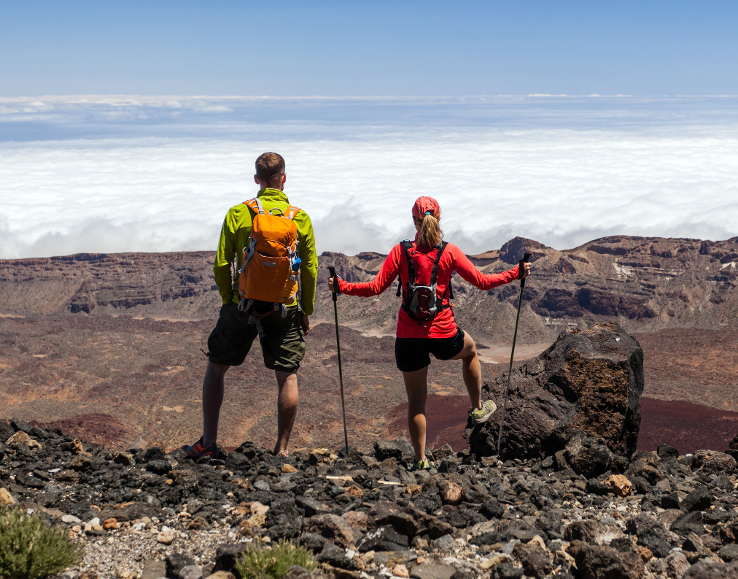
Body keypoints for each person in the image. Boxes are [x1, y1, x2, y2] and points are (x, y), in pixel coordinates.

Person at [328, 196, 530, 470]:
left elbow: (375, 288)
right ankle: (478, 408)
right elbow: (483, 282)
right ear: (439, 219)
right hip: (443, 333)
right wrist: (516, 272)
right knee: (470, 351)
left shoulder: (401, 251)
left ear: (414, 220)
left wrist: (341, 286)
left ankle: (420, 460)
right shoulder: (449, 252)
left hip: (408, 337)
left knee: (416, 401)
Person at [184, 152, 318, 459]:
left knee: (217, 367)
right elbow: (309, 269)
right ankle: (282, 451)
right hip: (284, 310)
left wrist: (229, 300)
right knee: (287, 374)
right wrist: (305, 310)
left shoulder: (238, 214)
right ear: (284, 178)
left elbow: (221, 264)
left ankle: (208, 443)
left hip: (241, 305)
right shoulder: (300, 218)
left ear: (256, 179)